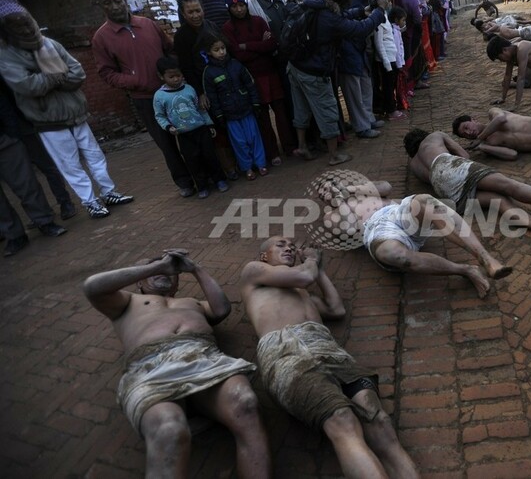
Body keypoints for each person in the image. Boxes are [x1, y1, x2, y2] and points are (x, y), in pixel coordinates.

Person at [239, 238, 419, 478]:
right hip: (287, 355)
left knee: (379, 420)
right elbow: (304, 276)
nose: (290, 247)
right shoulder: (253, 271)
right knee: (342, 420)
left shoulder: (303, 294)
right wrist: (312, 260)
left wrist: (320, 269)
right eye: (281, 245)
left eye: (292, 245)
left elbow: (336, 309)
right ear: (264, 256)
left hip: (329, 350)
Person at [83, 249, 271, 477]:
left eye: (170, 271)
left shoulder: (192, 302)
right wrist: (157, 266)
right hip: (152, 368)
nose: (164, 269)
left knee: (246, 403)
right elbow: (92, 286)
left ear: (176, 285)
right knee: (169, 430)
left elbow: (222, 309)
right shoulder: (127, 301)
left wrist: (195, 269)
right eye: (152, 267)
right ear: (139, 282)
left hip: (205, 359)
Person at [0, 0, 133, 219]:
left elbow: (77, 72)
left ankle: (109, 192)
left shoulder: (50, 44)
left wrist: (49, 78)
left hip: (76, 112)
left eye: (25, 21)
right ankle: (90, 202)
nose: (24, 28)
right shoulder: (6, 55)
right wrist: (56, 76)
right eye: (17, 24)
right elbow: (27, 86)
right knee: (70, 164)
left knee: (95, 156)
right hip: (48, 121)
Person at [313, 179, 513, 297]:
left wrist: (350, 191)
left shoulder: (362, 190)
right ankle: (466, 270)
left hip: (397, 211)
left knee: (425, 200)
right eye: (323, 194)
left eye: (330, 187)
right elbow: (347, 233)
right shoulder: (331, 215)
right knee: (395, 256)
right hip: (378, 231)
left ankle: (485, 258)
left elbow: (386, 186)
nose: (328, 193)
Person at [89, 0, 196, 198]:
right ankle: (184, 182)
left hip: (173, 92)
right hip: (146, 99)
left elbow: (169, 49)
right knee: (166, 145)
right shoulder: (101, 38)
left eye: (117, 0)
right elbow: (106, 73)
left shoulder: (147, 24)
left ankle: (202, 175)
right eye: (107, 2)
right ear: (100, 6)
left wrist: (174, 73)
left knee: (189, 134)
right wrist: (134, 80)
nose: (114, 6)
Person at [404, 128, 531, 245]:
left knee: (498, 202)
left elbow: (430, 180)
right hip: (450, 166)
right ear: (423, 136)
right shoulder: (435, 136)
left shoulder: (413, 165)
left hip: (445, 190)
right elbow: (464, 156)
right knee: (509, 185)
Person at [286, 0, 387, 165]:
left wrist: (361, 11)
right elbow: (357, 30)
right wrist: (379, 12)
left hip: (296, 65)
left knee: (301, 109)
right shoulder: (328, 16)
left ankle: (302, 146)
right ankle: (334, 155)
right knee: (328, 112)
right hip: (315, 70)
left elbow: (339, 16)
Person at [222, 0, 294, 164]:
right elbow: (237, 55)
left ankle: (289, 147)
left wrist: (246, 45)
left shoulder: (258, 21)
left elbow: (271, 44)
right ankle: (272, 152)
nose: (239, 9)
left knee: (281, 113)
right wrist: (258, 45)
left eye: (241, 5)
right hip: (251, 78)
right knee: (262, 117)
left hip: (271, 72)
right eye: (234, 6)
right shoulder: (228, 28)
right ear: (228, 8)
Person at [173, 0, 239, 182]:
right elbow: (186, 67)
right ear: (183, 14)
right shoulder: (182, 36)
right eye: (190, 12)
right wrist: (200, 93)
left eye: (198, 10)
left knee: (229, 123)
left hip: (222, 82)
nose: (195, 15)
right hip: (202, 87)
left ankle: (238, 161)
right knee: (215, 129)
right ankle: (227, 168)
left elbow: (224, 51)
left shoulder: (211, 27)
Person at [0, 78, 75, 220]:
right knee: (24, 175)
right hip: (10, 130)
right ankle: (40, 212)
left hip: (25, 124)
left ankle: (65, 202)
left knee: (47, 166)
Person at [153, 56, 227, 199]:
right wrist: (168, 127)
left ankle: (220, 180)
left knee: (210, 156)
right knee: (193, 161)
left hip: (201, 129)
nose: (176, 79)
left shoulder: (189, 89)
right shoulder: (159, 96)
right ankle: (202, 186)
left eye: (178, 75)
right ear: (161, 76)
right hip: (184, 134)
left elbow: (200, 109)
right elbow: (159, 116)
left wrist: (209, 124)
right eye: (171, 76)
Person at [0, 103, 67, 256]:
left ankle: (45, 221)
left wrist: (11, 132)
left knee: (25, 183)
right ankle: (13, 235)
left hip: (5, 140)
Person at [201, 34, 267, 180]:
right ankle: (247, 168)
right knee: (239, 142)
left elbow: (250, 84)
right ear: (209, 52)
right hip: (229, 115)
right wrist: (218, 115)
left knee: (254, 138)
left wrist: (255, 103)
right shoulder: (209, 72)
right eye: (216, 49)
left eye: (223, 48)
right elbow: (212, 97)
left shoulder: (236, 64)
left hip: (247, 109)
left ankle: (261, 163)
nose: (221, 52)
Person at [339, 0, 388, 139]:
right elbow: (357, 27)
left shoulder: (363, 1)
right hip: (347, 48)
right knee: (354, 90)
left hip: (360, 48)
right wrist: (377, 12)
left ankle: (368, 118)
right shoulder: (348, 0)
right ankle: (361, 126)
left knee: (366, 85)